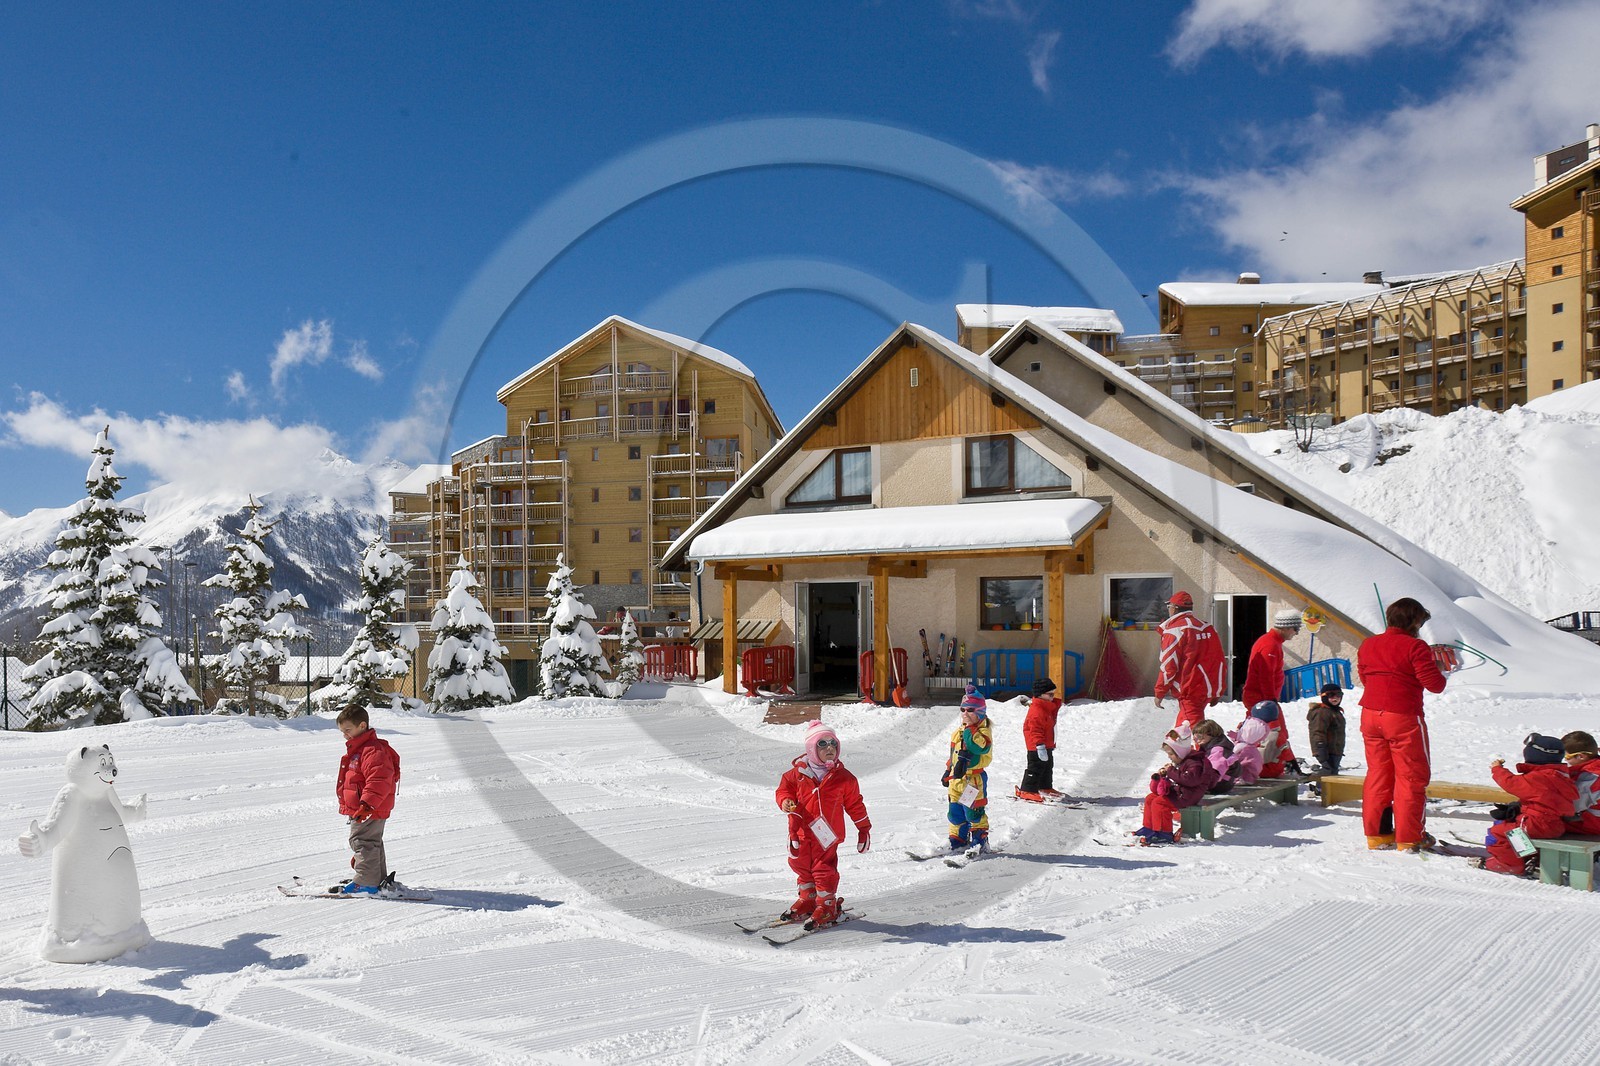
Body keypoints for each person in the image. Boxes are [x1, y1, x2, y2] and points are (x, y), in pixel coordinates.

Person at [1357, 597, 1447, 852]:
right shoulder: (1415, 647)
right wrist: (1437, 668)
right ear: (1414, 621)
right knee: (1410, 776)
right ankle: (1409, 837)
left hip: (1371, 715)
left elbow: (1365, 676)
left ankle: (1378, 835)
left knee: (1378, 775)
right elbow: (1435, 685)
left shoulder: (1369, 644)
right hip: (1403, 716)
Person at [775, 721, 871, 927]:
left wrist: (863, 828)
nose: (830, 748)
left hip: (827, 834)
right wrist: (785, 801)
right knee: (799, 865)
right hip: (800, 832)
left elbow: (855, 804)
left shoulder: (844, 778)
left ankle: (827, 905)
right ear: (810, 748)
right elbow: (783, 790)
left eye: (833, 744)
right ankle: (808, 899)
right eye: (822, 744)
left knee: (823, 869)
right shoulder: (795, 775)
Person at [1483, 734, 1575, 875]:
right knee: (1513, 830)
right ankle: (1530, 858)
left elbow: (1511, 783)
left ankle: (1509, 864)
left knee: (1499, 832)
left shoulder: (1538, 778)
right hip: (1555, 824)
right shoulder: (1560, 776)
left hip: (1535, 823)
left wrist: (1497, 769)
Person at [335, 705, 401, 894]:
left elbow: (379, 779)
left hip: (369, 807)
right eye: (342, 732)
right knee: (371, 841)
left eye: (348, 730)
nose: (345, 735)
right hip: (368, 807)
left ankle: (366, 881)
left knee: (362, 841)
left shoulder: (372, 751)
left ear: (362, 725)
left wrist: (366, 804)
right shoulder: (361, 749)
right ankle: (377, 877)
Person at [1134, 725, 1221, 845]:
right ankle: (1149, 828)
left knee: (1159, 803)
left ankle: (1164, 833)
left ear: (1180, 752)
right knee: (1151, 798)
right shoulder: (1183, 760)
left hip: (1188, 796)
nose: (1169, 757)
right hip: (1180, 793)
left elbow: (1190, 780)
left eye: (1171, 754)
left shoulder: (1195, 763)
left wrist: (1171, 771)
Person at [1154, 591, 1226, 730]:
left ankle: (1200, 751)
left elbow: (1169, 665)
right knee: (1189, 732)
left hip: (1189, 690)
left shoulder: (1175, 630)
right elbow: (1219, 661)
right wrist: (1218, 690)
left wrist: (1160, 691)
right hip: (1205, 689)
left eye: (1169, 606)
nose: (1168, 609)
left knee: (1188, 735)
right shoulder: (1208, 628)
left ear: (1174, 608)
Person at [943, 685, 994, 854]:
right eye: (962, 709)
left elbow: (979, 748)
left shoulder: (982, 732)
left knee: (973, 812)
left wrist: (970, 731)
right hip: (956, 779)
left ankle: (980, 840)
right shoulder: (958, 732)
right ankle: (958, 839)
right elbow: (954, 753)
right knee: (955, 812)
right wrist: (948, 769)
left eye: (970, 710)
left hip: (973, 781)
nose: (965, 713)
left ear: (979, 712)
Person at [1241, 609, 1303, 711]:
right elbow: (1265, 675)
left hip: (1263, 698)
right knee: (1266, 726)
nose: (1296, 633)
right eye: (1296, 629)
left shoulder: (1273, 642)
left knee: (1259, 726)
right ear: (1286, 627)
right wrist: (1270, 699)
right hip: (1261, 699)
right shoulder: (1270, 645)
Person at [1016, 677, 1064, 803]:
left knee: (1047, 766)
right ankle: (1028, 789)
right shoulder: (1037, 711)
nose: (1053, 696)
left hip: (1046, 744)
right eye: (1050, 694)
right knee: (1035, 767)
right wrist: (1039, 745)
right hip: (1036, 745)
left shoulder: (1046, 707)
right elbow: (1035, 730)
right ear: (1040, 694)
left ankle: (1045, 786)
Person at [1247, 700, 1302, 779]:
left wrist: (1245, 756)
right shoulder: (1266, 731)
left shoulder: (1272, 735)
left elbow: (1264, 757)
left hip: (1268, 769)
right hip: (1266, 766)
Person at [1561, 731, 1600, 835]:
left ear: (1581, 756)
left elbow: (1571, 806)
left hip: (1594, 824)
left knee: (1545, 824)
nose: (1566, 761)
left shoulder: (1590, 778)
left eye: (1567, 757)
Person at [1307, 683, 1347, 775]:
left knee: (1332, 773)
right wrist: (1320, 749)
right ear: (1324, 697)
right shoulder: (1322, 712)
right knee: (1327, 772)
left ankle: (1326, 788)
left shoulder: (1335, 711)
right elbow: (1317, 731)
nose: (1335, 698)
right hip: (1326, 751)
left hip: (1335, 751)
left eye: (1339, 695)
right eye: (1331, 695)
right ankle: (1321, 789)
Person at [1192, 719, 1234, 793]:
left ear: (1212, 734)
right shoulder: (1207, 747)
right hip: (1216, 781)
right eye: (1195, 738)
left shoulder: (1218, 751)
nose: (1197, 741)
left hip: (1219, 784)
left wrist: (1201, 785)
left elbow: (1215, 771)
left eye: (1200, 737)